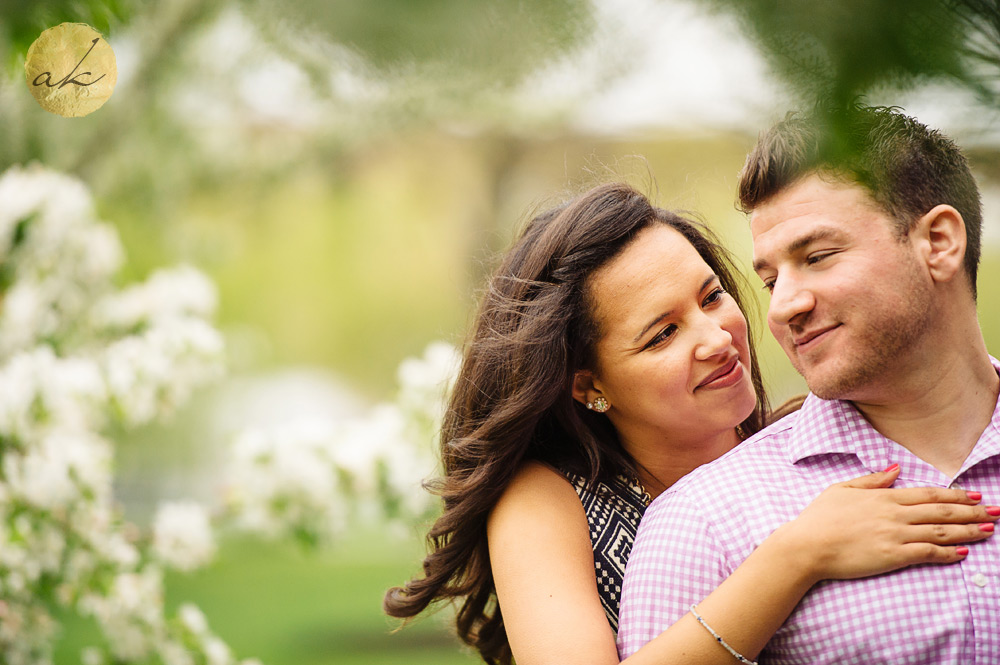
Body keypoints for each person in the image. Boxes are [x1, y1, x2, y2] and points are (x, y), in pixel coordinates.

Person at [384, 180, 997, 665]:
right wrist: (797, 555)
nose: (717, 339)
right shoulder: (546, 498)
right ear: (589, 385)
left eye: (710, 298)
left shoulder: (795, 452)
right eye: (663, 335)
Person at [617, 105, 1000, 664]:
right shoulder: (705, 521)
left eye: (817, 257)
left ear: (938, 242)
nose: (783, 307)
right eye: (770, 280)